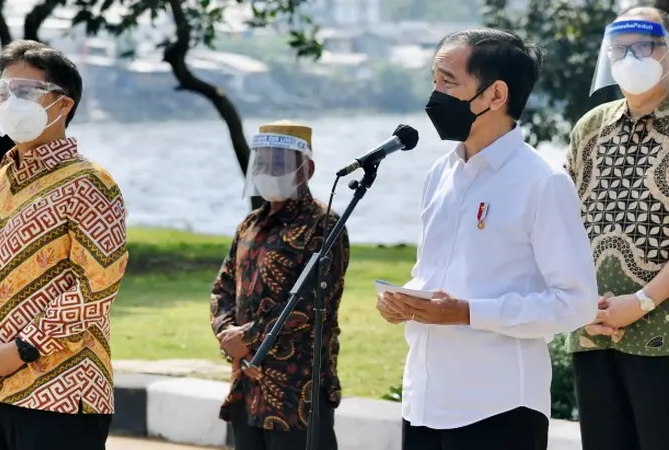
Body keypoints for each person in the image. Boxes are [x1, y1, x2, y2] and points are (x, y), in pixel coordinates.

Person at [375, 28, 598, 450]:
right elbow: (434, 274)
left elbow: (576, 302)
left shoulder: (542, 182)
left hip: (498, 406)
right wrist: (405, 301)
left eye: (448, 81)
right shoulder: (439, 174)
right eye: (434, 80)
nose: (434, 95)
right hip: (423, 400)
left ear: (495, 95)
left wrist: (466, 313)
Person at [0, 40, 128, 450]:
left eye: (26, 92)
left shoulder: (91, 184)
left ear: (64, 105)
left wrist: (24, 348)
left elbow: (98, 286)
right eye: (3, 92)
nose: (11, 102)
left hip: (63, 390)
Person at [565, 6, 669, 450]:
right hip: (593, 333)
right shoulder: (591, 126)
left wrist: (643, 300)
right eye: (619, 48)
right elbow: (562, 224)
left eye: (644, 46)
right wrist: (578, 302)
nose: (630, 57)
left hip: (661, 339)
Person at [210, 120, 350, 450]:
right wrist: (228, 335)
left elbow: (313, 304)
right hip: (246, 384)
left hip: (297, 389)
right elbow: (223, 288)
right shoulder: (250, 224)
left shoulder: (324, 225)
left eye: (279, 163)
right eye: (263, 162)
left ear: (307, 169)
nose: (268, 171)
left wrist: (248, 337)